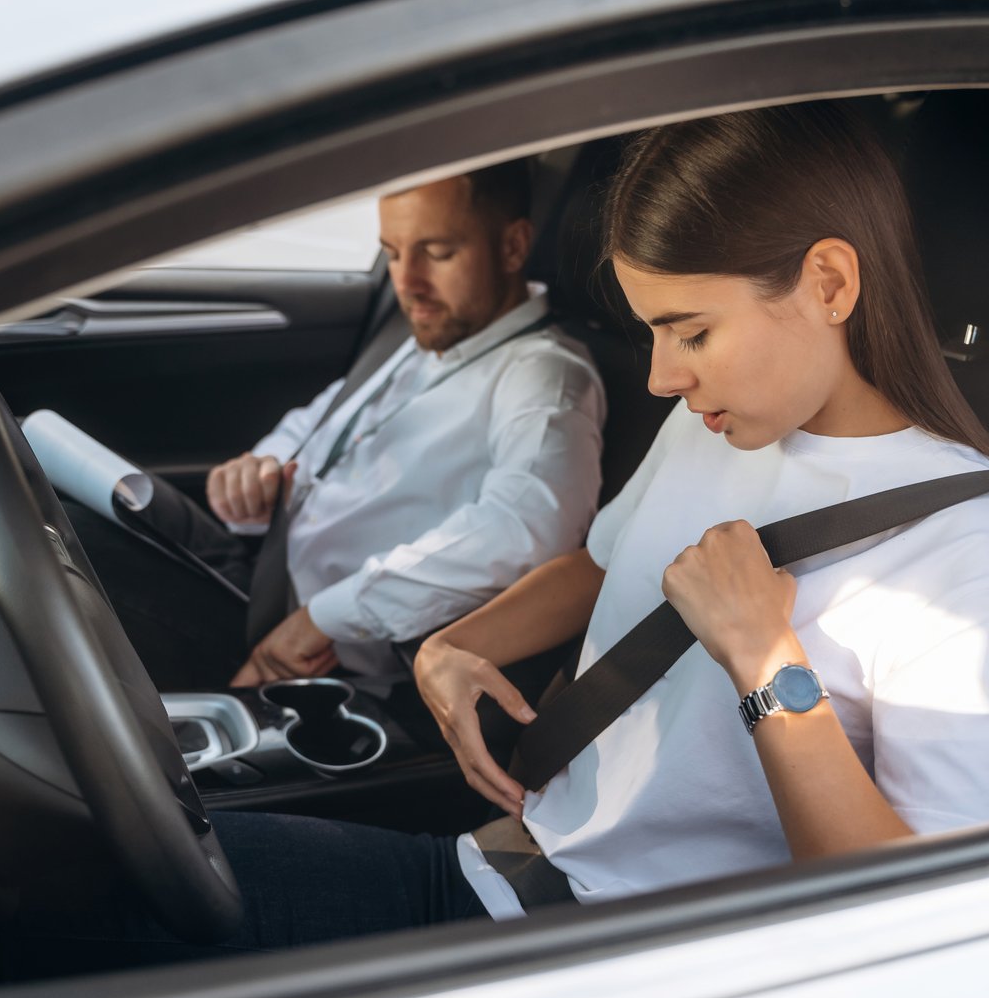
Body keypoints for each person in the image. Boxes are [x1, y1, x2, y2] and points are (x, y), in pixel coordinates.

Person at [6, 102, 989, 970]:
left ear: (829, 284)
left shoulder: (971, 553)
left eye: (692, 332)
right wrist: (460, 645)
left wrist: (767, 661)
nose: (660, 377)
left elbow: (934, 925)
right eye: (653, 333)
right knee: (54, 876)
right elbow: (604, 563)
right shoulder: (725, 422)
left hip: (602, 965)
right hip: (499, 870)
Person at [64, 162, 607, 695]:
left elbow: (527, 528)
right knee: (57, 516)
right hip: (256, 567)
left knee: (59, 583)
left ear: (513, 247)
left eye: (439, 253)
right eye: (393, 253)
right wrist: (260, 473)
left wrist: (329, 617)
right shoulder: (434, 334)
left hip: (307, 646)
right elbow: (316, 421)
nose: (408, 282)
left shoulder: (546, 378)